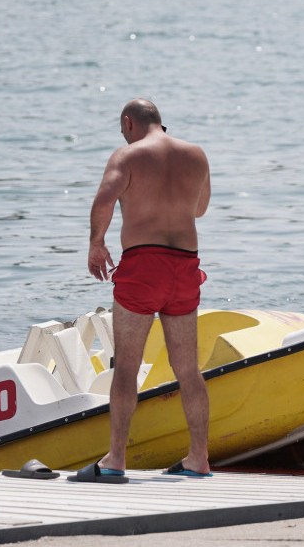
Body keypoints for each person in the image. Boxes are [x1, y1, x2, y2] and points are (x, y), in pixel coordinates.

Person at [82, 98, 212, 482]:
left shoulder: (127, 156)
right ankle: (198, 458)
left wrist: (96, 243)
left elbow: (104, 200)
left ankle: (116, 459)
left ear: (128, 123)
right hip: (186, 265)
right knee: (188, 368)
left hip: (144, 266)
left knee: (126, 366)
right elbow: (200, 209)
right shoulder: (197, 155)